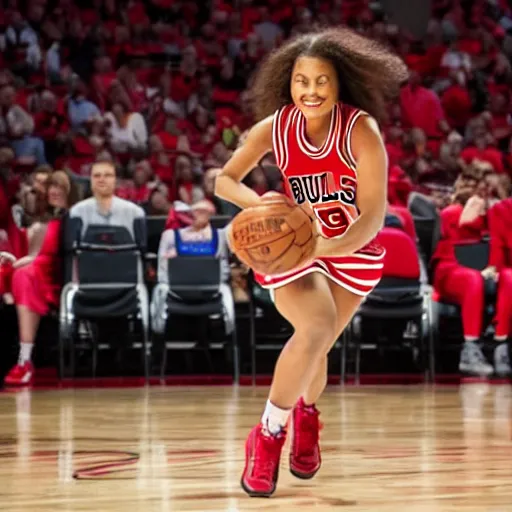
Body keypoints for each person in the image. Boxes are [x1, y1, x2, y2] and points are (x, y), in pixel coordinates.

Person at [214, 28, 407, 497]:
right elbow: (224, 181)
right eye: (302, 81)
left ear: (340, 84)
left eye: (322, 81)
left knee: (317, 348)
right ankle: (267, 434)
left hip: (350, 249)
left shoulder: (361, 130)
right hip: (295, 251)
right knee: (317, 327)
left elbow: (373, 216)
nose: (311, 91)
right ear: (289, 82)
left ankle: (306, 413)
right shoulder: (276, 128)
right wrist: (262, 206)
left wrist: (325, 246)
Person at [3, 171, 78, 386]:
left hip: (56, 277)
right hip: (40, 268)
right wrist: (13, 261)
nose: (54, 191)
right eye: (51, 187)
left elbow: (47, 257)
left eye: (59, 187)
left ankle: (24, 359)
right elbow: (36, 256)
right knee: (15, 273)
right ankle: (22, 360)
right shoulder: (47, 219)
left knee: (23, 275)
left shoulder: (73, 217)